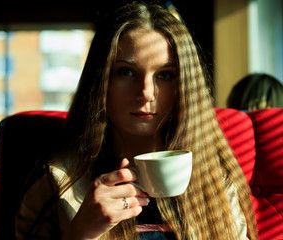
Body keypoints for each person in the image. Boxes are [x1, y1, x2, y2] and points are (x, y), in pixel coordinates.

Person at [15, 1, 258, 239]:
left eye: (165, 75)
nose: (147, 92)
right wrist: (81, 233)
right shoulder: (56, 181)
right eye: (126, 71)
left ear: (184, 86)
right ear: (101, 82)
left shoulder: (215, 179)